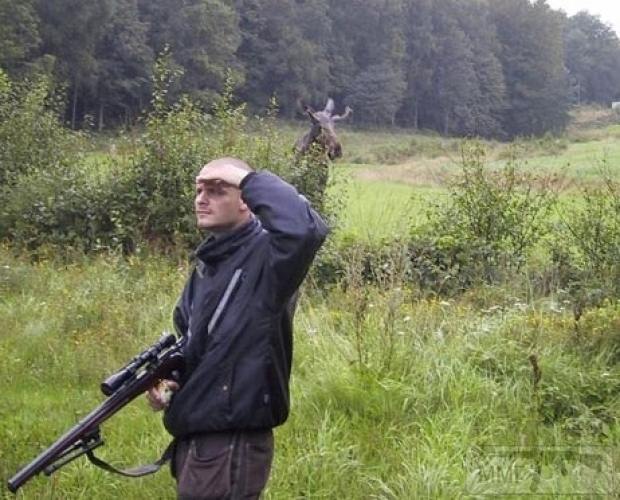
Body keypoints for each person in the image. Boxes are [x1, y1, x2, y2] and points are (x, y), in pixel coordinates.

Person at [146, 157, 328, 499]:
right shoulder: (210, 261)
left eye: (216, 191)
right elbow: (197, 344)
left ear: (246, 200)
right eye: (199, 190)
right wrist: (172, 382)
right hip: (199, 437)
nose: (202, 199)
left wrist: (247, 178)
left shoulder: (268, 258)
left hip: (231, 441)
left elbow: (305, 229)